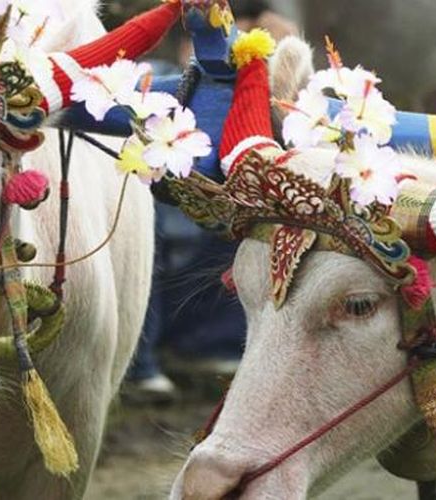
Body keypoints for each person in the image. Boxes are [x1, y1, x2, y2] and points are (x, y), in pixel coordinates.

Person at [124, 0, 300, 403]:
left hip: (206, 240)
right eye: (227, 38)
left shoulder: (270, 98)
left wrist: (281, 72)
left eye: (249, 43)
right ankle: (140, 361)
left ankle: (205, 344)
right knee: (139, 212)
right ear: (189, 42)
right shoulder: (159, 82)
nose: (232, 53)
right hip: (158, 232)